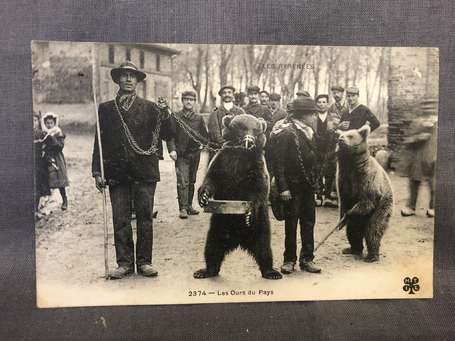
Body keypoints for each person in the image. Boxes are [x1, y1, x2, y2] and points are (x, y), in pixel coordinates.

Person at [91, 61, 175, 279]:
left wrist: (166, 114)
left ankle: (144, 262)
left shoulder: (151, 108)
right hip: (116, 172)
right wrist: (97, 171)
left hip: (144, 171)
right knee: (121, 218)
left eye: (132, 76)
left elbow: (167, 134)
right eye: (124, 75)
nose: (128, 79)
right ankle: (125, 263)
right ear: (117, 79)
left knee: (145, 218)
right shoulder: (106, 109)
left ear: (138, 81)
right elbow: (98, 142)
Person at [270, 97, 322, 275]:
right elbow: (278, 164)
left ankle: (307, 258)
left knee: (309, 222)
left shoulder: (311, 132)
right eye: (312, 113)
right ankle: (289, 259)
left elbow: (315, 159)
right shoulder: (286, 133)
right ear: (303, 115)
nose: (315, 116)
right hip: (292, 188)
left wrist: (316, 183)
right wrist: (283, 188)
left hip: (308, 186)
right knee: (291, 224)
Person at [170, 90, 208, 219]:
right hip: (181, 155)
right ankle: (183, 208)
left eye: (191, 100)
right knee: (182, 181)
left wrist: (202, 144)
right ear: (182, 101)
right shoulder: (175, 116)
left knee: (192, 180)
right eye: (186, 99)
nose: (188, 102)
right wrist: (172, 149)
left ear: (194, 101)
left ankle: (190, 206)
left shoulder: (199, 118)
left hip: (195, 154)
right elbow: (170, 135)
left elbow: (205, 135)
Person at [401, 98, 438, 218]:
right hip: (418, 159)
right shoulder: (417, 123)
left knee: (434, 183)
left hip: (434, 158)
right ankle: (411, 207)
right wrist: (418, 137)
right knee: (414, 182)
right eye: (426, 109)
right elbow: (407, 140)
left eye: (432, 109)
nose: (429, 112)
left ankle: (433, 207)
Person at [314, 94, 340, 207]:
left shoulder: (334, 117)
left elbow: (338, 132)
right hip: (316, 148)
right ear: (316, 104)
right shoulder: (312, 117)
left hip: (330, 148)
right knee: (317, 170)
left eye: (324, 102)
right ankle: (318, 196)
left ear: (327, 104)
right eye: (319, 102)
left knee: (329, 171)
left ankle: (328, 196)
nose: (322, 104)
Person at [207, 85, 245, 160]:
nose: (227, 94)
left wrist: (237, 145)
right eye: (224, 93)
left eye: (229, 92)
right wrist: (224, 145)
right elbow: (214, 132)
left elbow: (244, 130)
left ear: (233, 95)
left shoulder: (240, 112)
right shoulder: (215, 112)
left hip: (238, 149)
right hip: (220, 149)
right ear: (221, 95)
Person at [42, 112, 69, 211]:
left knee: (59, 180)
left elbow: (60, 147)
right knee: (47, 179)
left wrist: (52, 138)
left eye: (51, 123)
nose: (49, 125)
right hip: (46, 157)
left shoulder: (58, 132)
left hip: (57, 158)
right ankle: (46, 201)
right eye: (47, 123)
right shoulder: (43, 133)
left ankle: (64, 199)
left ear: (54, 123)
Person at [33, 111, 50, 215]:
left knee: (38, 185)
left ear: (38, 121)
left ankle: (36, 208)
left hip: (39, 164)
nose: (32, 123)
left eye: (34, 120)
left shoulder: (41, 133)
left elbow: (52, 144)